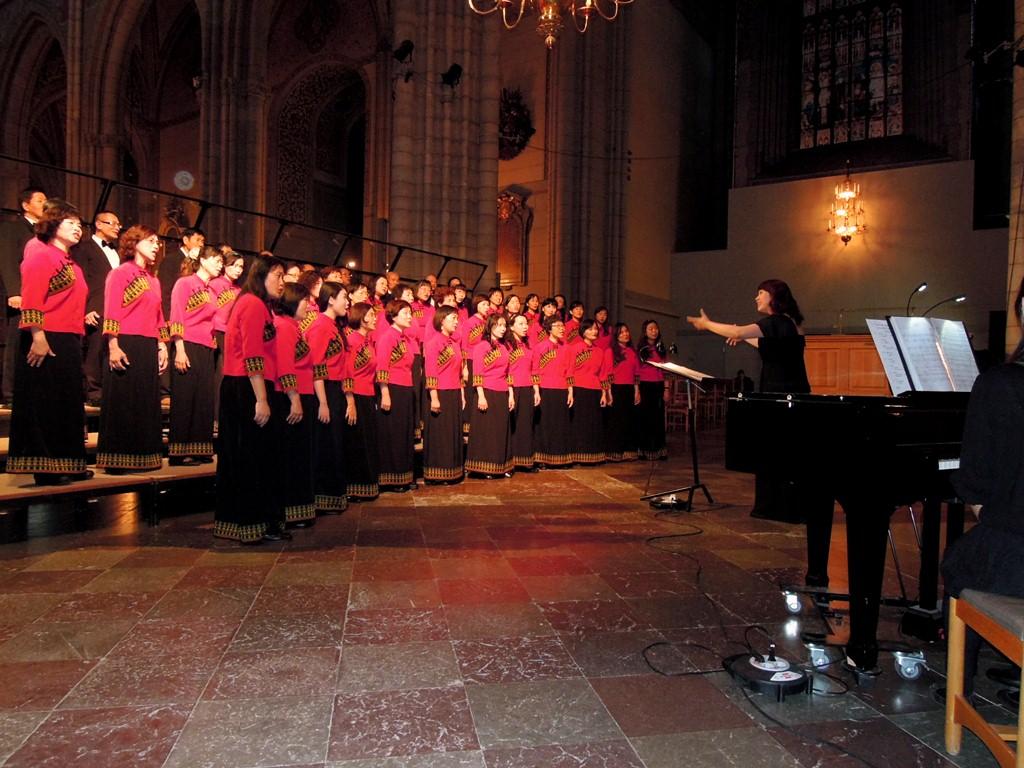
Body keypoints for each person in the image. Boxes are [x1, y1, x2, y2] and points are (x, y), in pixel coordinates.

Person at [686, 279, 833, 587]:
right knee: (784, 455)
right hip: (792, 394)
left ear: (774, 297)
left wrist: (708, 324)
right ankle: (781, 506)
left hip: (782, 396)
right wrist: (741, 337)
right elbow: (766, 344)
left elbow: (742, 332)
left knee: (779, 455)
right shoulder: (789, 324)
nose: (756, 297)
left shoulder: (776, 321)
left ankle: (781, 507)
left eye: (761, 293)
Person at [940, 275, 1024, 702]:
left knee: (961, 561)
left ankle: (961, 685)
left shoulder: (1004, 384)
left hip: (1018, 556)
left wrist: (982, 508)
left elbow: (976, 483)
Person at [6, 199, 91, 485]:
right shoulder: (41, 254)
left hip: (68, 338)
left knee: (66, 404)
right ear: (53, 225)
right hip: (45, 335)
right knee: (45, 403)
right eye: (71, 224)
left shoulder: (71, 263)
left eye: (80, 225)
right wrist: (38, 336)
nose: (77, 229)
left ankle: (67, 462)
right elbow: (32, 296)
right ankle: (46, 467)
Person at [214, 254, 288, 543]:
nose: (282, 283)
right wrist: (261, 399)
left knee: (253, 457)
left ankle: (254, 522)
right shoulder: (253, 304)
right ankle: (250, 523)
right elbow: (253, 355)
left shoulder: (257, 305)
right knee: (250, 457)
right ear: (261, 276)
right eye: (278, 276)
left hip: (249, 385)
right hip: (246, 387)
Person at [96, 225, 169, 473]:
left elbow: (159, 316)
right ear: (134, 243)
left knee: (145, 401)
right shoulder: (120, 273)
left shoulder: (154, 279)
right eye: (150, 240)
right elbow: (112, 309)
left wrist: (162, 345)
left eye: (157, 242)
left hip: (148, 343)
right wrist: (113, 345)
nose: (156, 245)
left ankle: (143, 455)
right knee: (123, 401)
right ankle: (117, 458)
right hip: (125, 341)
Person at [167, 244, 223, 465]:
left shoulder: (211, 290)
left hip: (206, 346)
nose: (220, 265)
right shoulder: (185, 283)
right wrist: (179, 349)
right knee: (185, 398)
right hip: (187, 343)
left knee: (203, 398)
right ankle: (180, 452)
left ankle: (200, 447)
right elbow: (177, 315)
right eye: (216, 260)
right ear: (203, 261)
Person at [307, 281, 354, 513]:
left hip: (335, 391)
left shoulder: (335, 326)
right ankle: (323, 496)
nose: (348, 302)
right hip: (323, 391)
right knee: (326, 444)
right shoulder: (320, 325)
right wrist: (323, 402)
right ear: (331, 299)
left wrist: (348, 398)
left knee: (336, 444)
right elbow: (316, 364)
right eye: (344, 297)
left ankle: (334, 496)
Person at [273, 283, 317, 527]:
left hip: (302, 393)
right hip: (290, 397)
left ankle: (300, 509)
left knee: (301, 455)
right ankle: (290, 510)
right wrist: (295, 398)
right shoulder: (284, 327)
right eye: (304, 302)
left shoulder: (295, 327)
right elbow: (285, 366)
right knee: (293, 457)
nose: (309, 306)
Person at [0, 187, 46, 406]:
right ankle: (10, 394)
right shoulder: (13, 228)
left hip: (41, 298)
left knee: (35, 344)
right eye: (39, 200)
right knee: (16, 343)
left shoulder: (46, 233)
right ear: (26, 205)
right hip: (21, 296)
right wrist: (14, 292)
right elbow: (7, 259)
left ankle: (33, 390)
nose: (44, 204)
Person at [72, 210, 121, 405]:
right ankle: (93, 393)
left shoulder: (117, 251)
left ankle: (109, 390)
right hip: (95, 308)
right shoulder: (83, 249)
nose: (117, 227)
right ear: (99, 224)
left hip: (115, 309)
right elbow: (79, 280)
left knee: (112, 349)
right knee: (95, 350)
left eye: (118, 224)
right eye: (112, 223)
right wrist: (86, 309)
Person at [375, 298, 417, 491]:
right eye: (405, 313)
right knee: (393, 434)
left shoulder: (406, 338)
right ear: (393, 316)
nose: (410, 317)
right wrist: (385, 392)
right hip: (392, 388)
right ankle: (392, 478)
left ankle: (405, 475)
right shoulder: (387, 337)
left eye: (410, 313)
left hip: (406, 388)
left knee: (405, 433)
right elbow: (382, 366)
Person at [465, 313, 514, 477]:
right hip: (486, 391)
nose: (502, 328)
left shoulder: (505, 347)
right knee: (487, 431)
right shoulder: (482, 346)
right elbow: (477, 372)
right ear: (490, 326)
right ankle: (485, 467)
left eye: (504, 325)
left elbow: (508, 373)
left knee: (501, 430)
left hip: (502, 392)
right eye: (499, 325)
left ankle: (502, 465)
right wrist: (481, 395)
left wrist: (511, 394)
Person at [423, 305, 465, 484]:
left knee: (452, 433)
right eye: (453, 318)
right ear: (442, 320)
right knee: (441, 434)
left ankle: (452, 471)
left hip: (454, 392)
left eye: (457, 318)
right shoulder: (434, 343)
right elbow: (430, 371)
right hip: (439, 393)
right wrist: (434, 397)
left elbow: (458, 372)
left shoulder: (454, 344)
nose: (456, 322)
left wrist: (461, 393)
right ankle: (437, 473)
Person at [344, 302, 380, 501]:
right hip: (356, 395)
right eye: (372, 315)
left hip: (367, 395)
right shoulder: (352, 340)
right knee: (357, 442)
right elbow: (348, 372)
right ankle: (355, 488)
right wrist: (350, 400)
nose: (375, 318)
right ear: (362, 317)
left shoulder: (367, 341)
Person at [532, 315, 574, 468]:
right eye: (557, 326)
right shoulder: (540, 347)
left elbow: (570, 371)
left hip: (561, 389)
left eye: (563, 326)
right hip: (544, 389)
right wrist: (536, 391)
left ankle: (559, 458)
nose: (561, 329)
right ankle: (542, 458)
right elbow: (535, 371)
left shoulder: (567, 348)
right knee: (544, 425)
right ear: (549, 329)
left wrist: (570, 392)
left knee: (559, 425)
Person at [569, 318, 611, 464]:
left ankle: (593, 455)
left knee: (593, 423)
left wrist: (605, 393)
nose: (594, 331)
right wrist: (570, 391)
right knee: (579, 423)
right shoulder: (575, 348)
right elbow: (570, 371)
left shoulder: (600, 351)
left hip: (595, 389)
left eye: (595, 329)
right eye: (590, 329)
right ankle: (577, 454)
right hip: (579, 389)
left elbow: (603, 374)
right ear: (583, 331)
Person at [210, 250, 244, 417]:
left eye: (241, 267)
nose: (238, 270)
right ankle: (215, 416)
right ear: (225, 265)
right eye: (235, 265)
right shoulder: (215, 283)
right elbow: (209, 310)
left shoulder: (239, 289)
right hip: (217, 331)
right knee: (218, 374)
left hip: (232, 335)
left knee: (226, 374)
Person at [508, 313, 540, 472]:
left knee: (526, 424)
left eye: (526, 323)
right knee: (511, 425)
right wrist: (510, 392)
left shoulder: (529, 344)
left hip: (527, 387)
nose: (525, 326)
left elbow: (534, 368)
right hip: (512, 387)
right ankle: (510, 461)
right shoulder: (506, 345)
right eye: (520, 323)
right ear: (511, 326)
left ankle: (525, 461)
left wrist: (536, 390)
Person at [606, 322, 641, 462]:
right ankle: (615, 452)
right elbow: (608, 374)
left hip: (629, 389)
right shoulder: (611, 352)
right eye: (621, 332)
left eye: (626, 331)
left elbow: (636, 373)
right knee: (616, 421)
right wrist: (608, 393)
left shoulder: (633, 352)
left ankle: (628, 451)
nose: (625, 334)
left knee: (629, 421)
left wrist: (637, 391)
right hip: (615, 388)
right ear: (616, 335)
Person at [635, 320, 669, 460]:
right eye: (650, 329)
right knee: (645, 418)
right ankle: (644, 449)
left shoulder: (661, 349)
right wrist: (637, 390)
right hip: (645, 385)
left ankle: (659, 450)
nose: (654, 331)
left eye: (656, 328)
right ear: (645, 331)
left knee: (658, 418)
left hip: (659, 385)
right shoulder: (641, 349)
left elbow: (667, 371)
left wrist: (666, 388)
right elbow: (636, 371)